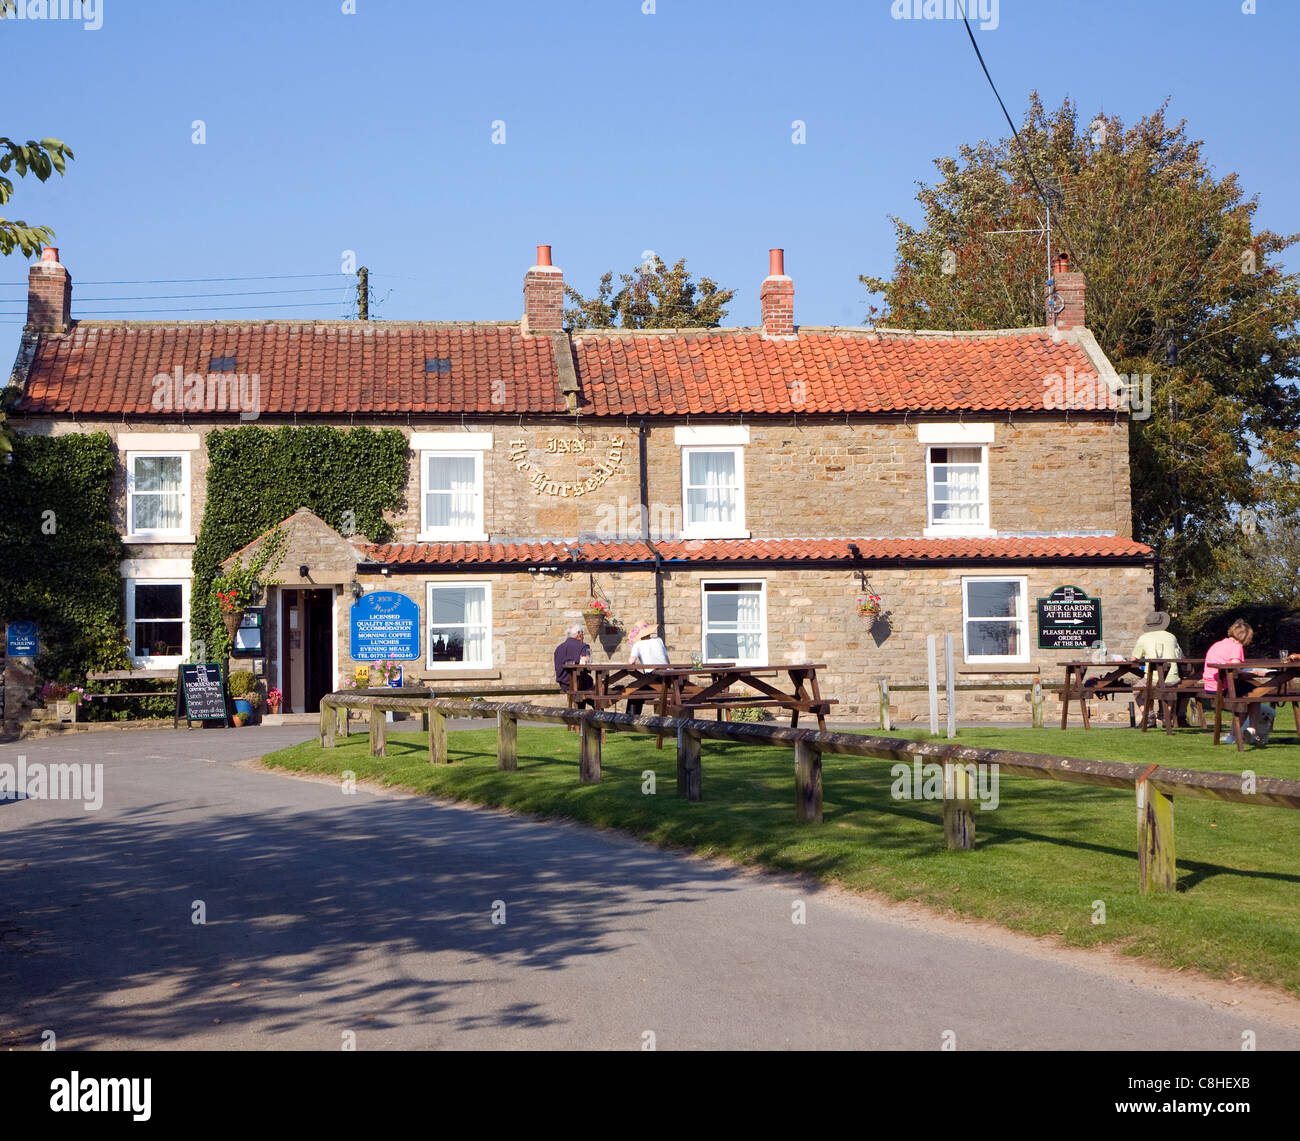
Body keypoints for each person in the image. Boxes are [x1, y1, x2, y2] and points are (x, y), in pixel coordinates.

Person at [1203, 619, 1277, 745]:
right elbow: (1235, 671)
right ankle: (1248, 730)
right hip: (1224, 687)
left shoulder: (1218, 644)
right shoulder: (1236, 647)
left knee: (1252, 693)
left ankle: (1241, 733)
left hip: (1210, 685)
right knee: (1255, 694)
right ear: (1246, 637)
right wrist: (1255, 673)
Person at [1132, 611, 1185, 726]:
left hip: (1153, 678)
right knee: (1169, 689)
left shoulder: (1144, 637)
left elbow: (1134, 658)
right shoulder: (1171, 636)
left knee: (1138, 689)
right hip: (1173, 677)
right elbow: (1180, 655)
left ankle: (1149, 715)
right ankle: (1166, 716)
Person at [624, 620, 669, 716]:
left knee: (633, 690)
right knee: (637, 689)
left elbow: (631, 662)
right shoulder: (659, 640)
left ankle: (630, 719)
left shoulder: (638, 645)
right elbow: (667, 660)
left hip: (653, 678)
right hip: (667, 679)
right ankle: (633, 719)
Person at [554, 623, 593, 732]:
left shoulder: (559, 648)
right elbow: (587, 665)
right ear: (578, 634)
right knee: (590, 685)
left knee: (583, 685)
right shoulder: (583, 647)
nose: (583, 637)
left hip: (564, 684)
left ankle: (579, 721)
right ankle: (586, 718)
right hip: (580, 684)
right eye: (583, 634)